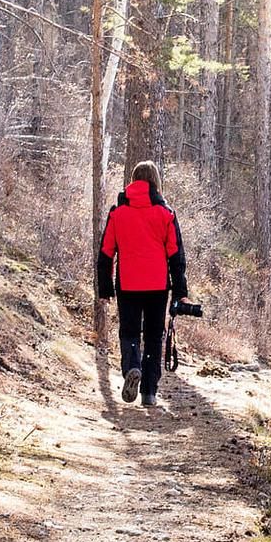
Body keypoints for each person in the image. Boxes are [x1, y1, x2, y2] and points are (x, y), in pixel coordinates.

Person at [95, 160, 188, 407]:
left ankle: (132, 366)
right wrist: (180, 291)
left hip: (127, 284)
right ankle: (149, 392)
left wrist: (104, 288)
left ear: (134, 181)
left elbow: (106, 253)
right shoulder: (165, 213)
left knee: (129, 332)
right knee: (154, 336)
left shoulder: (118, 212)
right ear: (155, 181)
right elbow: (176, 254)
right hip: (158, 285)